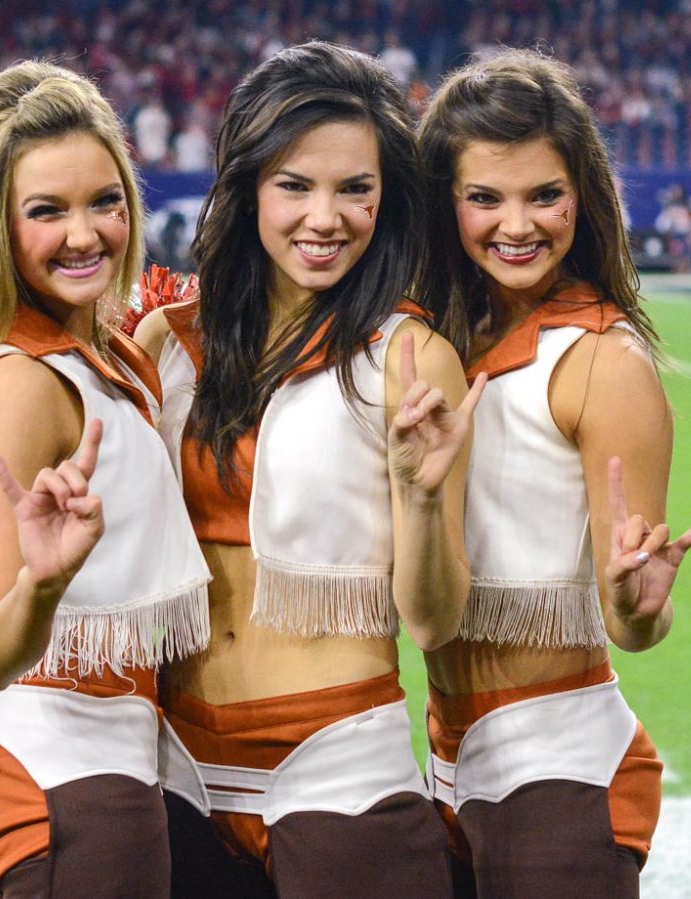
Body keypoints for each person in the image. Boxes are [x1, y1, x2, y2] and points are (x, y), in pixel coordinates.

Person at [134, 41, 484, 898]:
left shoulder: (410, 360)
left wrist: (423, 496)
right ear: (246, 184)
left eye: (355, 189)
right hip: (169, 763)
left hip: (338, 764)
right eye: (295, 184)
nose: (324, 217)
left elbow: (435, 624)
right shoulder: (164, 346)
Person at [0, 60, 210, 898]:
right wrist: (42, 580)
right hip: (65, 780)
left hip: (109, 761)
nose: (87, 234)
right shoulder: (17, 385)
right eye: (47, 211)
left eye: (105, 201)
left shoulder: (101, 350)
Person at [417, 50, 691, 898]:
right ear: (444, 203)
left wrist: (634, 602)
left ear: (583, 197)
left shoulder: (603, 361)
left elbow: (634, 627)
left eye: (544, 195)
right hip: (443, 761)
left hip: (563, 768)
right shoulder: (431, 339)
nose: (518, 224)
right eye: (485, 198)